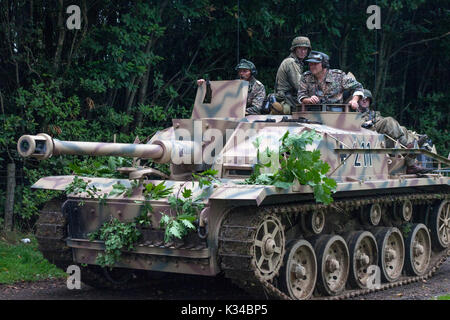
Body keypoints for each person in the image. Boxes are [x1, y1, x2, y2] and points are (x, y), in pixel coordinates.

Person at [358, 89, 432, 174]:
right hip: (365, 133)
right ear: (357, 100)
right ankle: (407, 147)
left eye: (367, 99)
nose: (364, 100)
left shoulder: (374, 114)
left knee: (403, 129)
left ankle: (410, 161)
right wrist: (366, 123)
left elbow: (383, 123)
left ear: (370, 101)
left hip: (378, 136)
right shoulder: (352, 112)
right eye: (362, 98)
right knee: (389, 120)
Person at [197, 59, 266, 115]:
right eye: (240, 71)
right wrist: (205, 85)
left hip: (249, 116)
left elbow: (257, 108)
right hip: (232, 115)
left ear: (252, 72)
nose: (241, 73)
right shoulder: (234, 84)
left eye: (245, 71)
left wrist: (238, 111)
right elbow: (218, 97)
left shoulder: (258, 86)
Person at [298, 51, 364, 109]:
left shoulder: (338, 76)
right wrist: (309, 100)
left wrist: (354, 100)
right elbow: (301, 96)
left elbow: (358, 87)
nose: (312, 66)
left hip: (335, 113)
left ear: (324, 64)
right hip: (313, 112)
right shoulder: (306, 77)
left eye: (315, 64)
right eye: (310, 64)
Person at [272, 36, 312, 114]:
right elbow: (299, 86)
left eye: (305, 49)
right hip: (287, 103)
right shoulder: (291, 62)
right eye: (300, 48)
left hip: (288, 101)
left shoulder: (297, 63)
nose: (303, 51)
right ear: (294, 49)